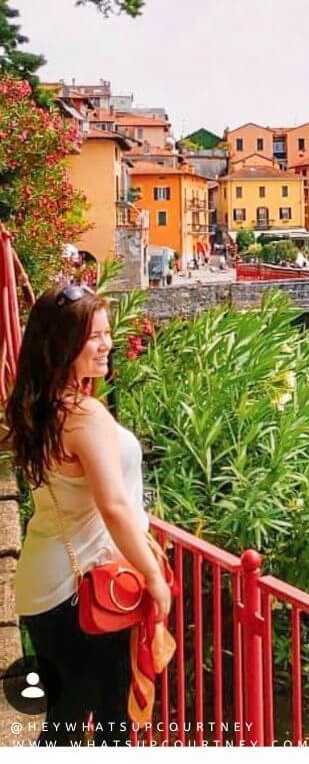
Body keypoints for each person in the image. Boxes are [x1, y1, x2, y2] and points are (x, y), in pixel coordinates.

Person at [4, 285, 171, 745]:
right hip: (85, 590)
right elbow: (114, 506)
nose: (108, 344)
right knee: (111, 719)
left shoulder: (39, 406)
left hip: (44, 582)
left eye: (107, 333)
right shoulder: (85, 416)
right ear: (63, 343)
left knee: (66, 717)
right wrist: (154, 578)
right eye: (94, 336)